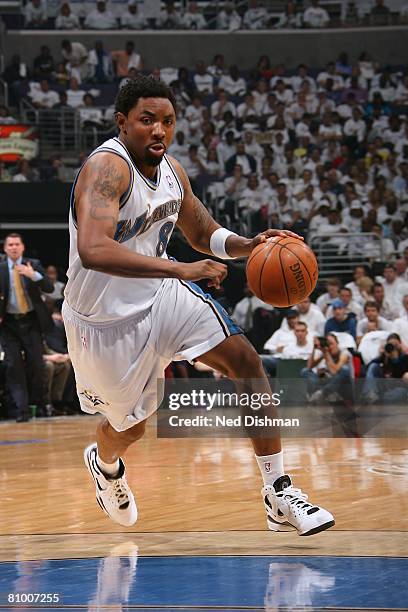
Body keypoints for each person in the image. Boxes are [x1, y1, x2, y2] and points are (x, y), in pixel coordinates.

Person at [62, 75, 334, 536]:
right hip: (102, 321)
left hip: (162, 297)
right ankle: (105, 466)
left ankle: (277, 491)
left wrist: (248, 245)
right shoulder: (108, 169)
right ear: (122, 122)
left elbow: (200, 231)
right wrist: (182, 270)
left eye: (167, 121)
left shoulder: (171, 170)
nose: (159, 131)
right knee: (129, 429)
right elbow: (93, 249)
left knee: (246, 360)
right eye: (147, 120)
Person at [0, 233, 54, 421]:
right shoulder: (0, 269)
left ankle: (37, 404)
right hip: (8, 324)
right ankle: (21, 411)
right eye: (10, 245)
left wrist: (34, 275)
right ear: (5, 249)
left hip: (31, 322)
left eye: (17, 244)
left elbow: (49, 287)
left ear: (22, 247)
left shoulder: (34, 264)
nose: (14, 247)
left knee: (36, 366)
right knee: (14, 366)